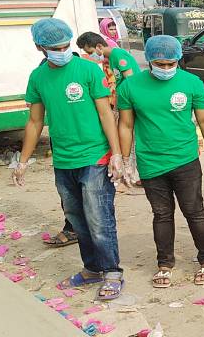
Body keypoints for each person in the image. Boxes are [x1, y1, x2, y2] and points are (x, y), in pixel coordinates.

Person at [12, 18, 125, 300]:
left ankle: (112, 272)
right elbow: (35, 121)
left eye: (65, 45)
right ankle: (91, 269)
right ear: (40, 47)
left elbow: (106, 114)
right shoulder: (37, 77)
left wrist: (117, 155)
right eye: (55, 47)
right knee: (77, 219)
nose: (62, 51)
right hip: (63, 160)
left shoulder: (88, 69)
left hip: (95, 156)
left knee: (99, 219)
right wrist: (23, 161)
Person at [117, 35, 204, 288]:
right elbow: (126, 124)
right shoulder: (130, 86)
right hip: (151, 162)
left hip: (185, 159)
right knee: (161, 214)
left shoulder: (192, 82)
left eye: (170, 64)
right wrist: (126, 159)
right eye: (160, 64)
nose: (165, 69)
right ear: (150, 61)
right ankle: (164, 264)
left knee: (194, 211)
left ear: (178, 60)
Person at [77, 32, 142, 186]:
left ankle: (134, 174)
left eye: (90, 52)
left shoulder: (118, 55)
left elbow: (130, 81)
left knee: (131, 138)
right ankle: (130, 173)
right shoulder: (111, 59)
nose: (90, 56)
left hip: (130, 105)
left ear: (99, 47)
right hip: (124, 104)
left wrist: (123, 107)